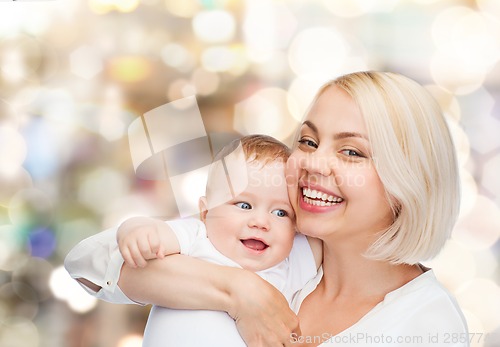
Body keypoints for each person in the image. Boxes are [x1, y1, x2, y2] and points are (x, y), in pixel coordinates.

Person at [66, 71, 469, 347]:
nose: (312, 163)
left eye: (351, 151)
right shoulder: (274, 243)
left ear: (408, 180)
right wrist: (240, 291)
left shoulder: (428, 323)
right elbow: (89, 264)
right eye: (308, 142)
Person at [65, 134, 322, 346]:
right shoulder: (197, 237)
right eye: (244, 205)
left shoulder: (287, 264)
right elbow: (141, 238)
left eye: (280, 213)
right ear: (206, 212)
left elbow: (334, 239)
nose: (261, 222)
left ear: (296, 228)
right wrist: (134, 229)